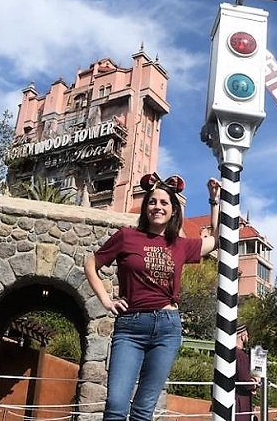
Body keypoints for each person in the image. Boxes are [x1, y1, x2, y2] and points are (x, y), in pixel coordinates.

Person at [85, 173, 221, 421]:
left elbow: (215, 241)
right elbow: (91, 262)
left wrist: (215, 202)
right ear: (146, 206)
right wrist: (106, 300)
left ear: (173, 211)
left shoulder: (179, 245)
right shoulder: (127, 236)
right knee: (115, 404)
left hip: (168, 328)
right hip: (130, 327)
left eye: (164, 203)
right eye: (152, 202)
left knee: (143, 410)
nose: (157, 207)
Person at [235, 324, 258, 421]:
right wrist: (254, 382)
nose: (247, 337)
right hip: (240, 403)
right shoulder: (241, 355)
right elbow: (245, 382)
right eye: (246, 335)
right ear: (242, 336)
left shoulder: (230, 353)